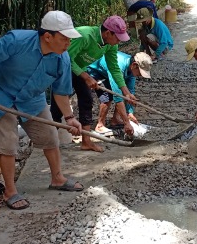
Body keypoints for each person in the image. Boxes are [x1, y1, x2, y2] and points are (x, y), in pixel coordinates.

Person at [0, 11, 85, 210]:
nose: (68, 43)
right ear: (47, 36)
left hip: (33, 99)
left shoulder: (62, 59)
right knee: (8, 143)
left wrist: (70, 118)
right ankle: (10, 191)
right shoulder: (17, 41)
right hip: (2, 94)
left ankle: (57, 178)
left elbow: (60, 92)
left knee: (50, 136)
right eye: (64, 38)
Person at [49, 16, 137, 152]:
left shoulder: (110, 44)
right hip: (61, 66)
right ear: (108, 33)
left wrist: (126, 93)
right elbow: (65, 57)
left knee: (87, 100)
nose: (118, 41)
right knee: (58, 106)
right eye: (117, 38)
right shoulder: (84, 36)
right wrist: (86, 77)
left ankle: (86, 141)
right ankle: (49, 142)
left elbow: (113, 67)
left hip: (79, 69)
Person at [88, 52, 153, 134]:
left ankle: (115, 120)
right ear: (134, 65)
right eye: (140, 73)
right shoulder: (119, 66)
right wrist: (127, 123)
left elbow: (130, 92)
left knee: (125, 94)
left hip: (108, 73)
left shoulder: (131, 70)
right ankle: (100, 125)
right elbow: (117, 96)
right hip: (96, 71)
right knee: (107, 97)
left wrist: (130, 112)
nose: (140, 75)